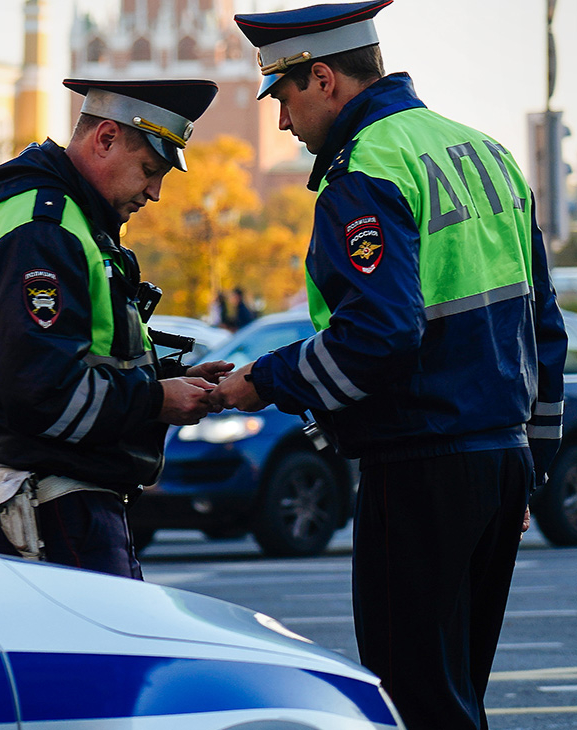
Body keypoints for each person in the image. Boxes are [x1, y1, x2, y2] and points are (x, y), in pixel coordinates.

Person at [214, 2, 568, 727]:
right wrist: (531, 463)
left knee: (413, 703)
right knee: (459, 694)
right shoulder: (487, 152)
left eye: (282, 97)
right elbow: (545, 329)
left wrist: (260, 383)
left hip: (419, 468)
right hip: (499, 465)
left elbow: (377, 337)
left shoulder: (366, 167)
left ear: (321, 78)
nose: (282, 122)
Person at [0, 78, 233, 579]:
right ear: (104, 139)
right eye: (149, 170)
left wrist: (166, 382)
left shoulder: (61, 219)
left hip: (58, 503)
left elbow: (69, 361)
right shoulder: (44, 230)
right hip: (57, 511)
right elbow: (44, 394)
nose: (155, 192)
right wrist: (157, 400)